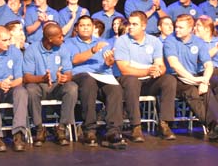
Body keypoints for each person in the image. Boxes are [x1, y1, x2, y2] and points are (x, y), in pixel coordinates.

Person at [163, 15, 218, 142]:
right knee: (192, 92)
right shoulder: (170, 40)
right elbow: (174, 64)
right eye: (176, 27)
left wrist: (205, 80)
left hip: (193, 76)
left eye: (180, 27)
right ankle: (215, 126)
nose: (176, 30)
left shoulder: (198, 42)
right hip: (175, 78)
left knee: (206, 91)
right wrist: (195, 80)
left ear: (190, 29)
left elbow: (208, 64)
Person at [114, 11, 177, 142]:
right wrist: (148, 71)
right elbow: (124, 69)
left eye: (134, 24)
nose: (130, 26)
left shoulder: (154, 41)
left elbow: (161, 64)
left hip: (149, 82)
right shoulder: (122, 41)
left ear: (143, 26)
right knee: (131, 81)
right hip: (129, 82)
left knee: (169, 80)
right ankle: (136, 126)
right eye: (129, 23)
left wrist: (158, 70)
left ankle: (165, 124)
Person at [65, 16, 126, 149]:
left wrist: (109, 61)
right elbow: (74, 60)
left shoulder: (103, 42)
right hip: (82, 76)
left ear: (93, 28)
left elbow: (108, 62)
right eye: (82, 25)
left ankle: (113, 131)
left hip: (102, 75)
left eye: (88, 25)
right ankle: (90, 130)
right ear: (77, 28)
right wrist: (93, 50)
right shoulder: (69, 43)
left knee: (115, 88)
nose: (86, 27)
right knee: (89, 82)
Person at [23, 22, 78, 146]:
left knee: (72, 87)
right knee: (30, 89)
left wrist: (64, 77)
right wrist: (42, 78)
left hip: (57, 85)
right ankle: (39, 128)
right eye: (59, 37)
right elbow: (26, 77)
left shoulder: (63, 48)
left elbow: (69, 72)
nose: (62, 39)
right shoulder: (32, 50)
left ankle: (62, 128)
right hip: (40, 86)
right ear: (50, 39)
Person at [0, 26, 29, 152]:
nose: (8, 43)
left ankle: (18, 134)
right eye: (4, 40)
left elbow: (19, 79)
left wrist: (8, 85)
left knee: (22, 92)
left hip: (12, 86)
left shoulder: (15, 52)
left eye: (9, 40)